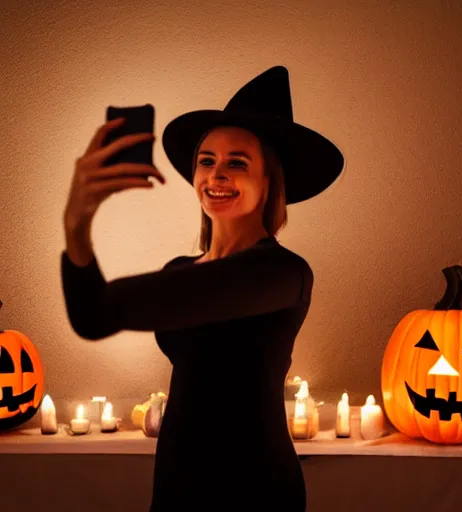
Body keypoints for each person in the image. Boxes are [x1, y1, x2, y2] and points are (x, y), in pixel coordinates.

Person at [60, 66, 344, 511]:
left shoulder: (284, 274)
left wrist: (77, 227)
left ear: (270, 181)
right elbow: (92, 316)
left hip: (257, 490)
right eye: (206, 161)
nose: (217, 175)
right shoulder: (180, 269)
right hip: (177, 484)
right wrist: (76, 225)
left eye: (237, 162)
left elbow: (103, 310)